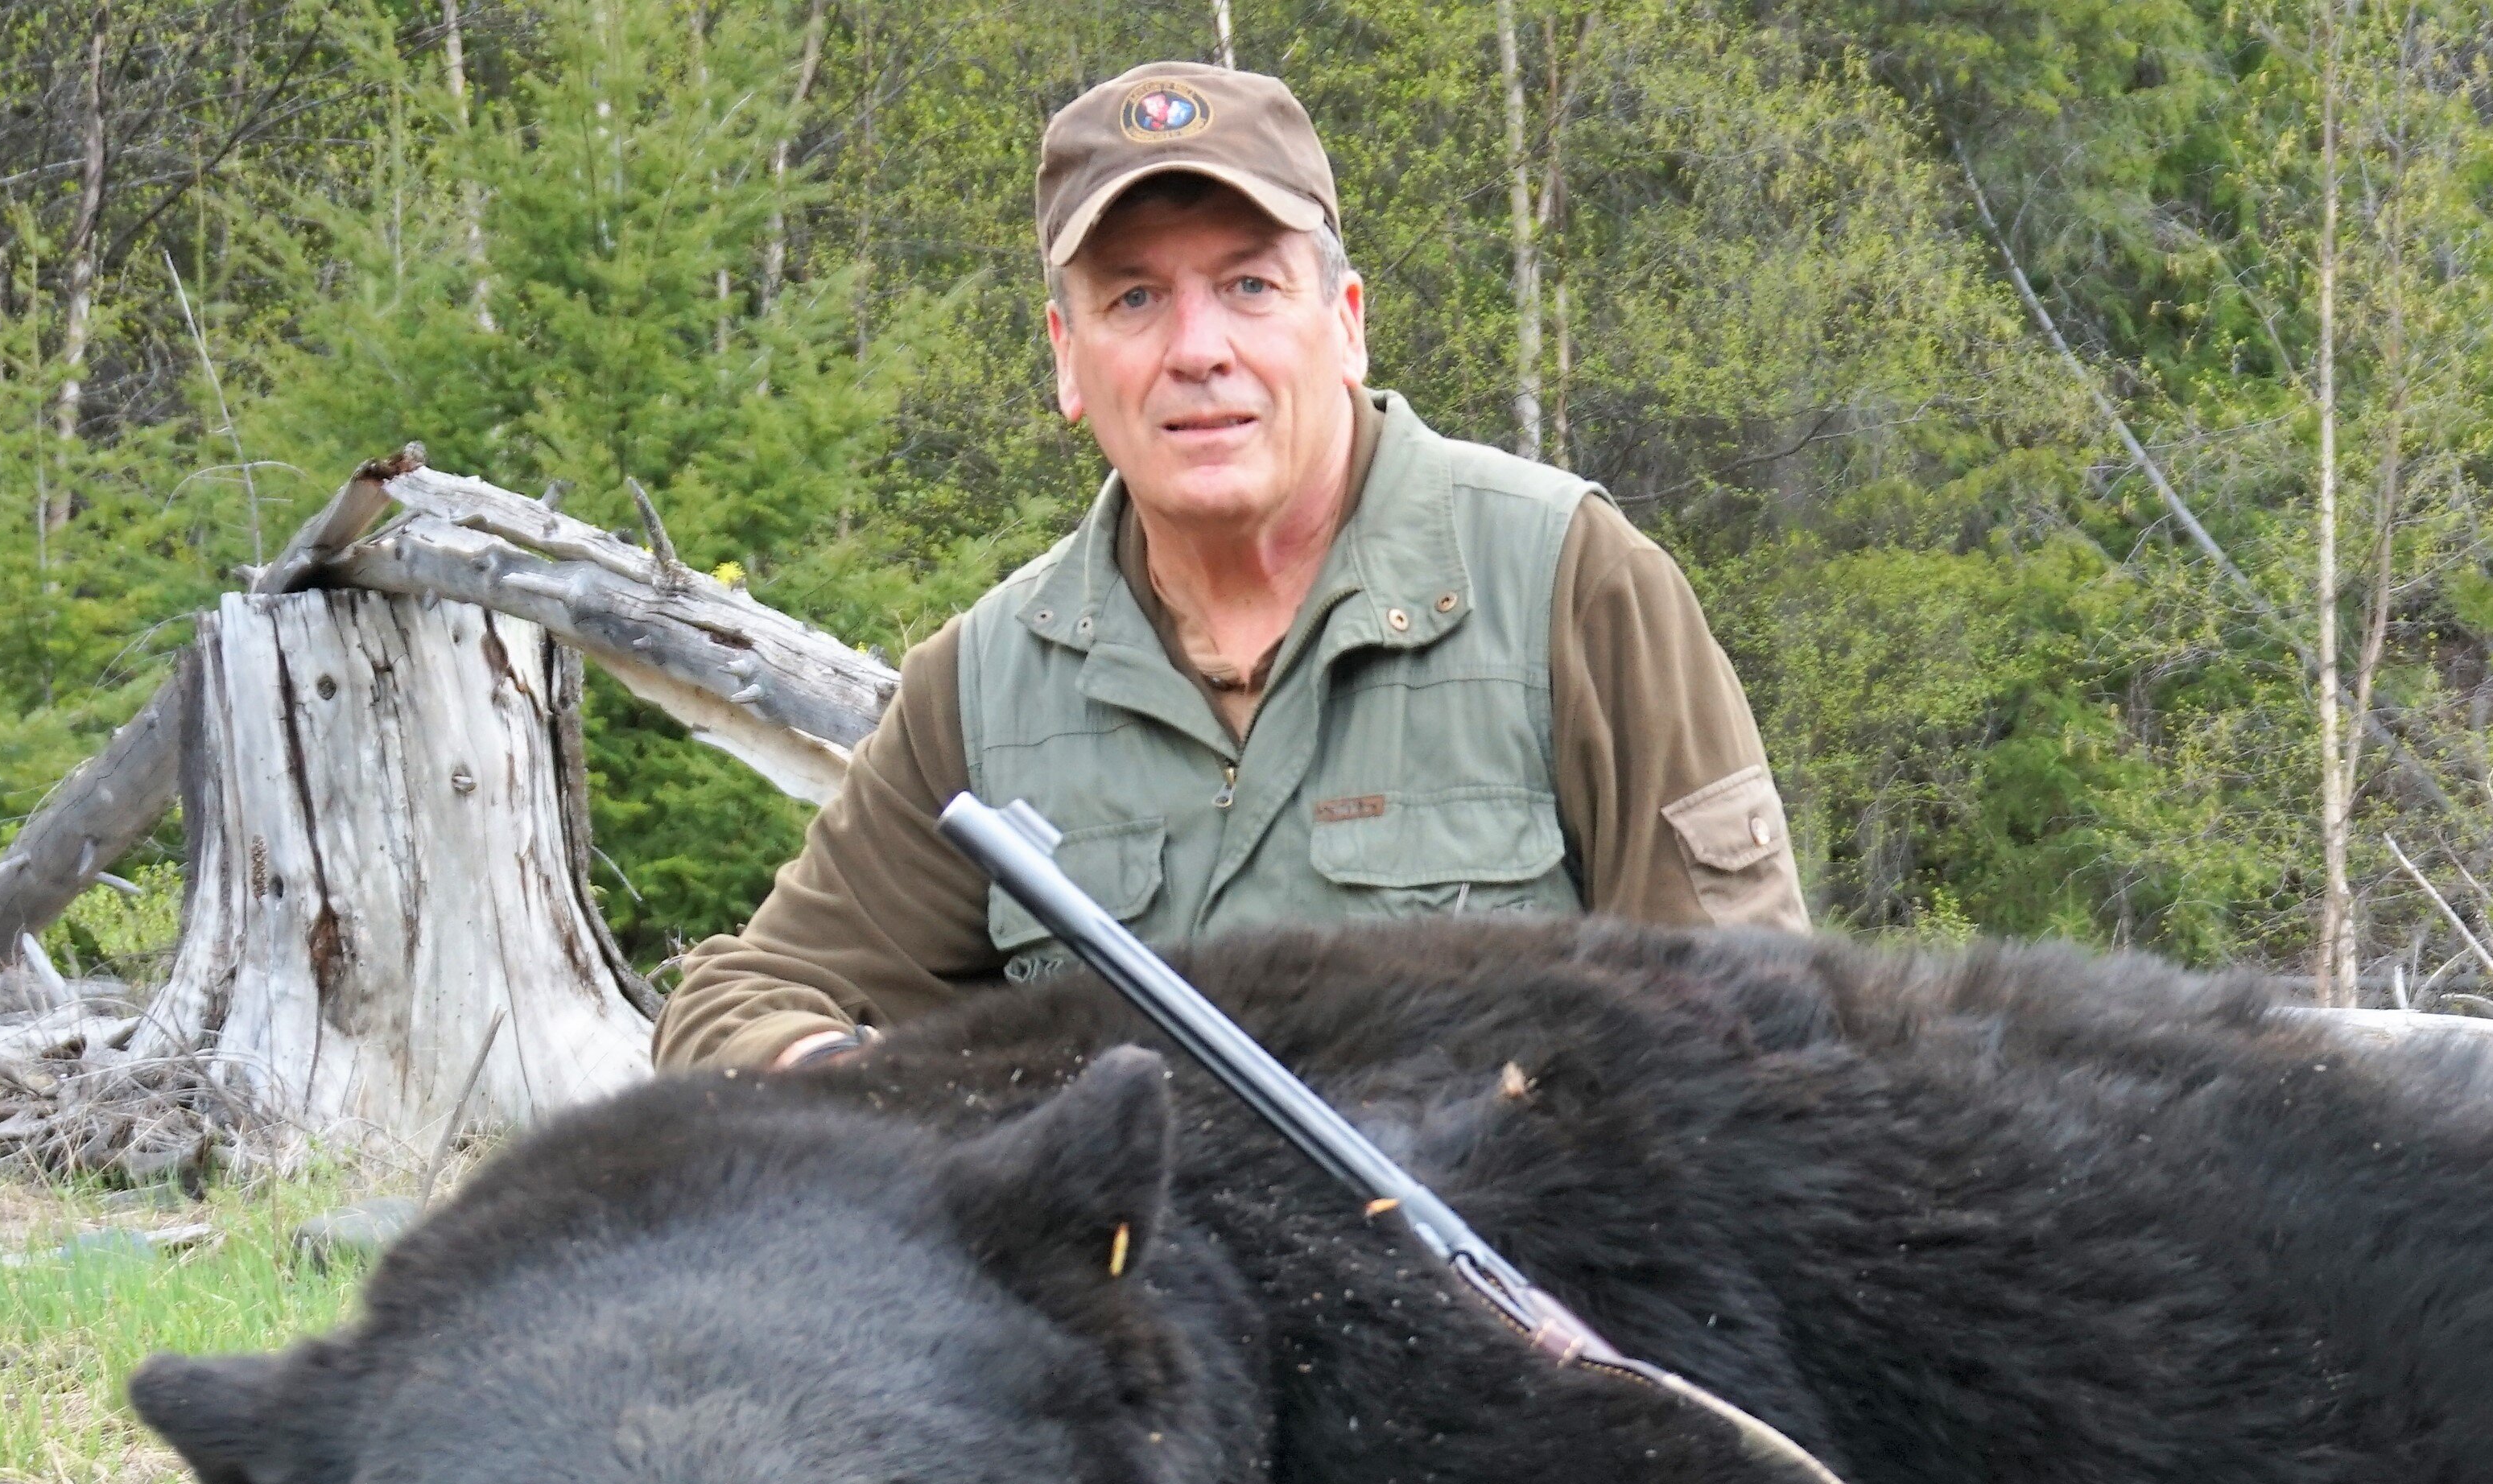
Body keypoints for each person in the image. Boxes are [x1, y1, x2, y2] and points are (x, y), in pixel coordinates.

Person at [651, 60, 1807, 1075]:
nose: (1198, 350)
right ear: (1068, 360)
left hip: (1514, 1297)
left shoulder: (1572, 586)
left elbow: (1764, 1032)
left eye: (1249, 285)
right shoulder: (983, 686)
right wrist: (873, 1083)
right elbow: (732, 1007)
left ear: (1345, 323)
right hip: (1143, 1318)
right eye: (1135, 298)